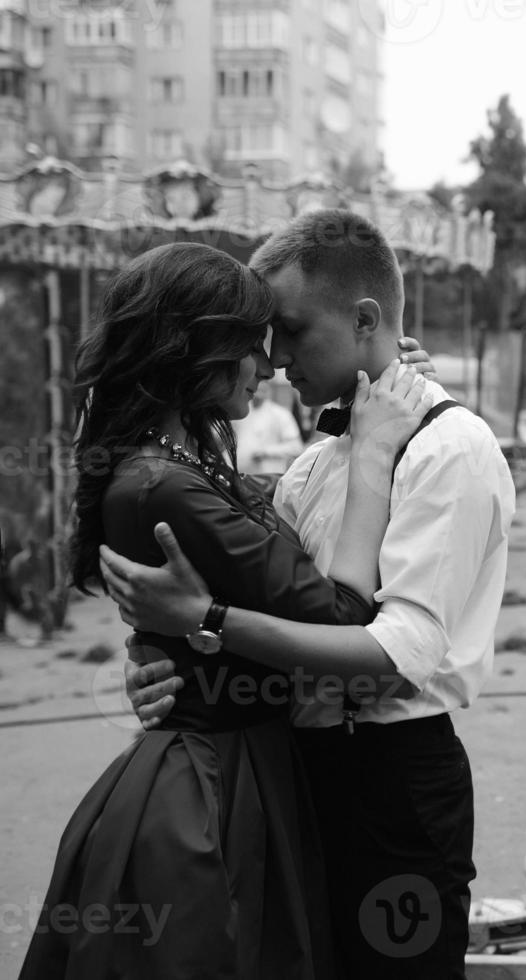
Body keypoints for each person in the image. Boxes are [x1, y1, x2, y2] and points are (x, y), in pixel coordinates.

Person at [105, 209, 517, 980]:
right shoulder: (320, 458)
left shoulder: (448, 448)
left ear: (365, 319)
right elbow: (278, 597)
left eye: (291, 330)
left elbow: (393, 659)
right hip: (299, 766)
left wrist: (209, 623)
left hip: (391, 784)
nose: (273, 355)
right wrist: (168, 657)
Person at [20, 241, 430, 979]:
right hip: (213, 792)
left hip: (226, 767)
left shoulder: (177, 468)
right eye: (251, 343)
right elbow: (340, 616)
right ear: (197, 350)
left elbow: (269, 548)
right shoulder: (164, 487)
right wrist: (370, 453)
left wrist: (378, 385)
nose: (270, 363)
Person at [233, 378, 304, 473]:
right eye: (255, 389)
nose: (258, 393)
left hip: (266, 480)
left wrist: (265, 452)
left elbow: (295, 447)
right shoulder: (240, 412)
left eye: (262, 390)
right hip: (238, 475)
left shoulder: (280, 414)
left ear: (268, 390)